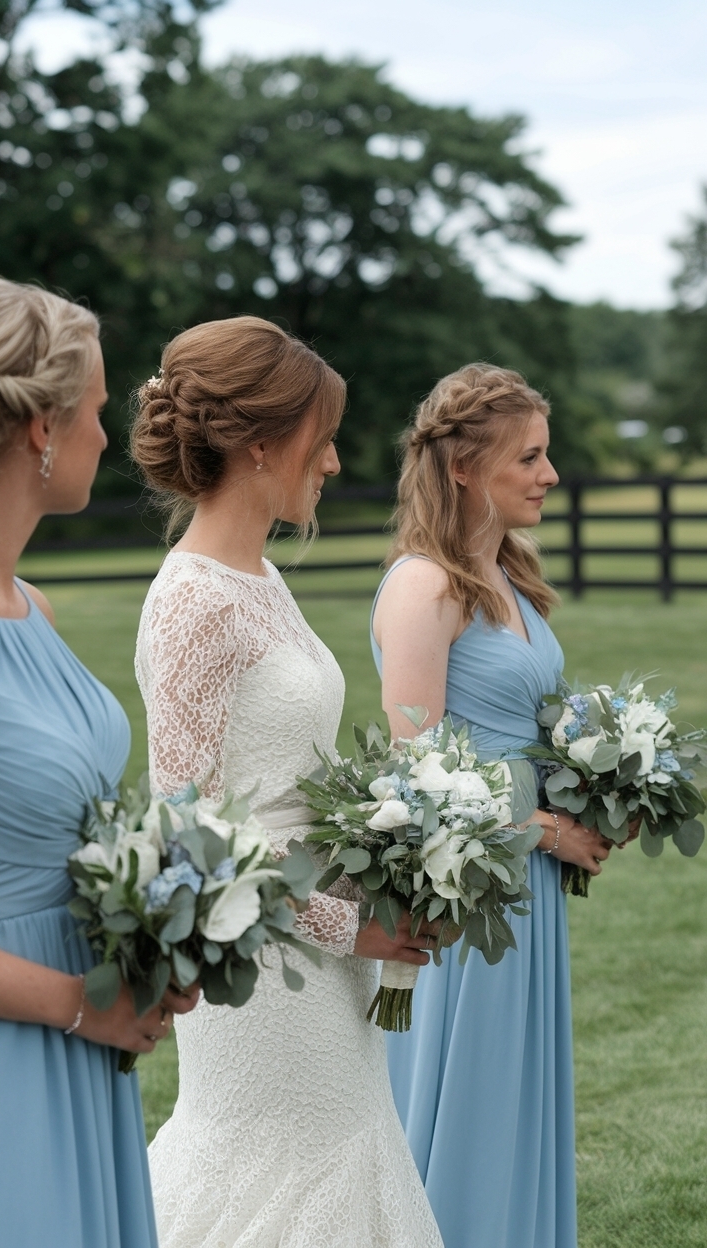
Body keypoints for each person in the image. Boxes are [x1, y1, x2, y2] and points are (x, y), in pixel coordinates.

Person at [0, 276, 197, 1248]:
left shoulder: (30, 608)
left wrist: (152, 940)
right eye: (95, 408)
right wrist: (77, 1007)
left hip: (82, 1024)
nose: (107, 433)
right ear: (40, 429)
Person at [132, 316, 443, 1247]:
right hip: (260, 970)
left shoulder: (260, 576)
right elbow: (189, 842)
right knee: (270, 1178)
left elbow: (290, 772)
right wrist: (351, 925)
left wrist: (387, 848)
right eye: (323, 437)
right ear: (261, 444)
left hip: (326, 953)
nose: (336, 462)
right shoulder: (193, 602)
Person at [370, 364, 613, 1248]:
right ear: (464, 467)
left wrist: (602, 785)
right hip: (471, 888)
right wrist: (547, 829)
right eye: (530, 457)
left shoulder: (505, 574)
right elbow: (417, 773)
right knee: (474, 1094)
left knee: (517, 1097)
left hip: (524, 882)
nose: (551, 475)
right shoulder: (424, 586)